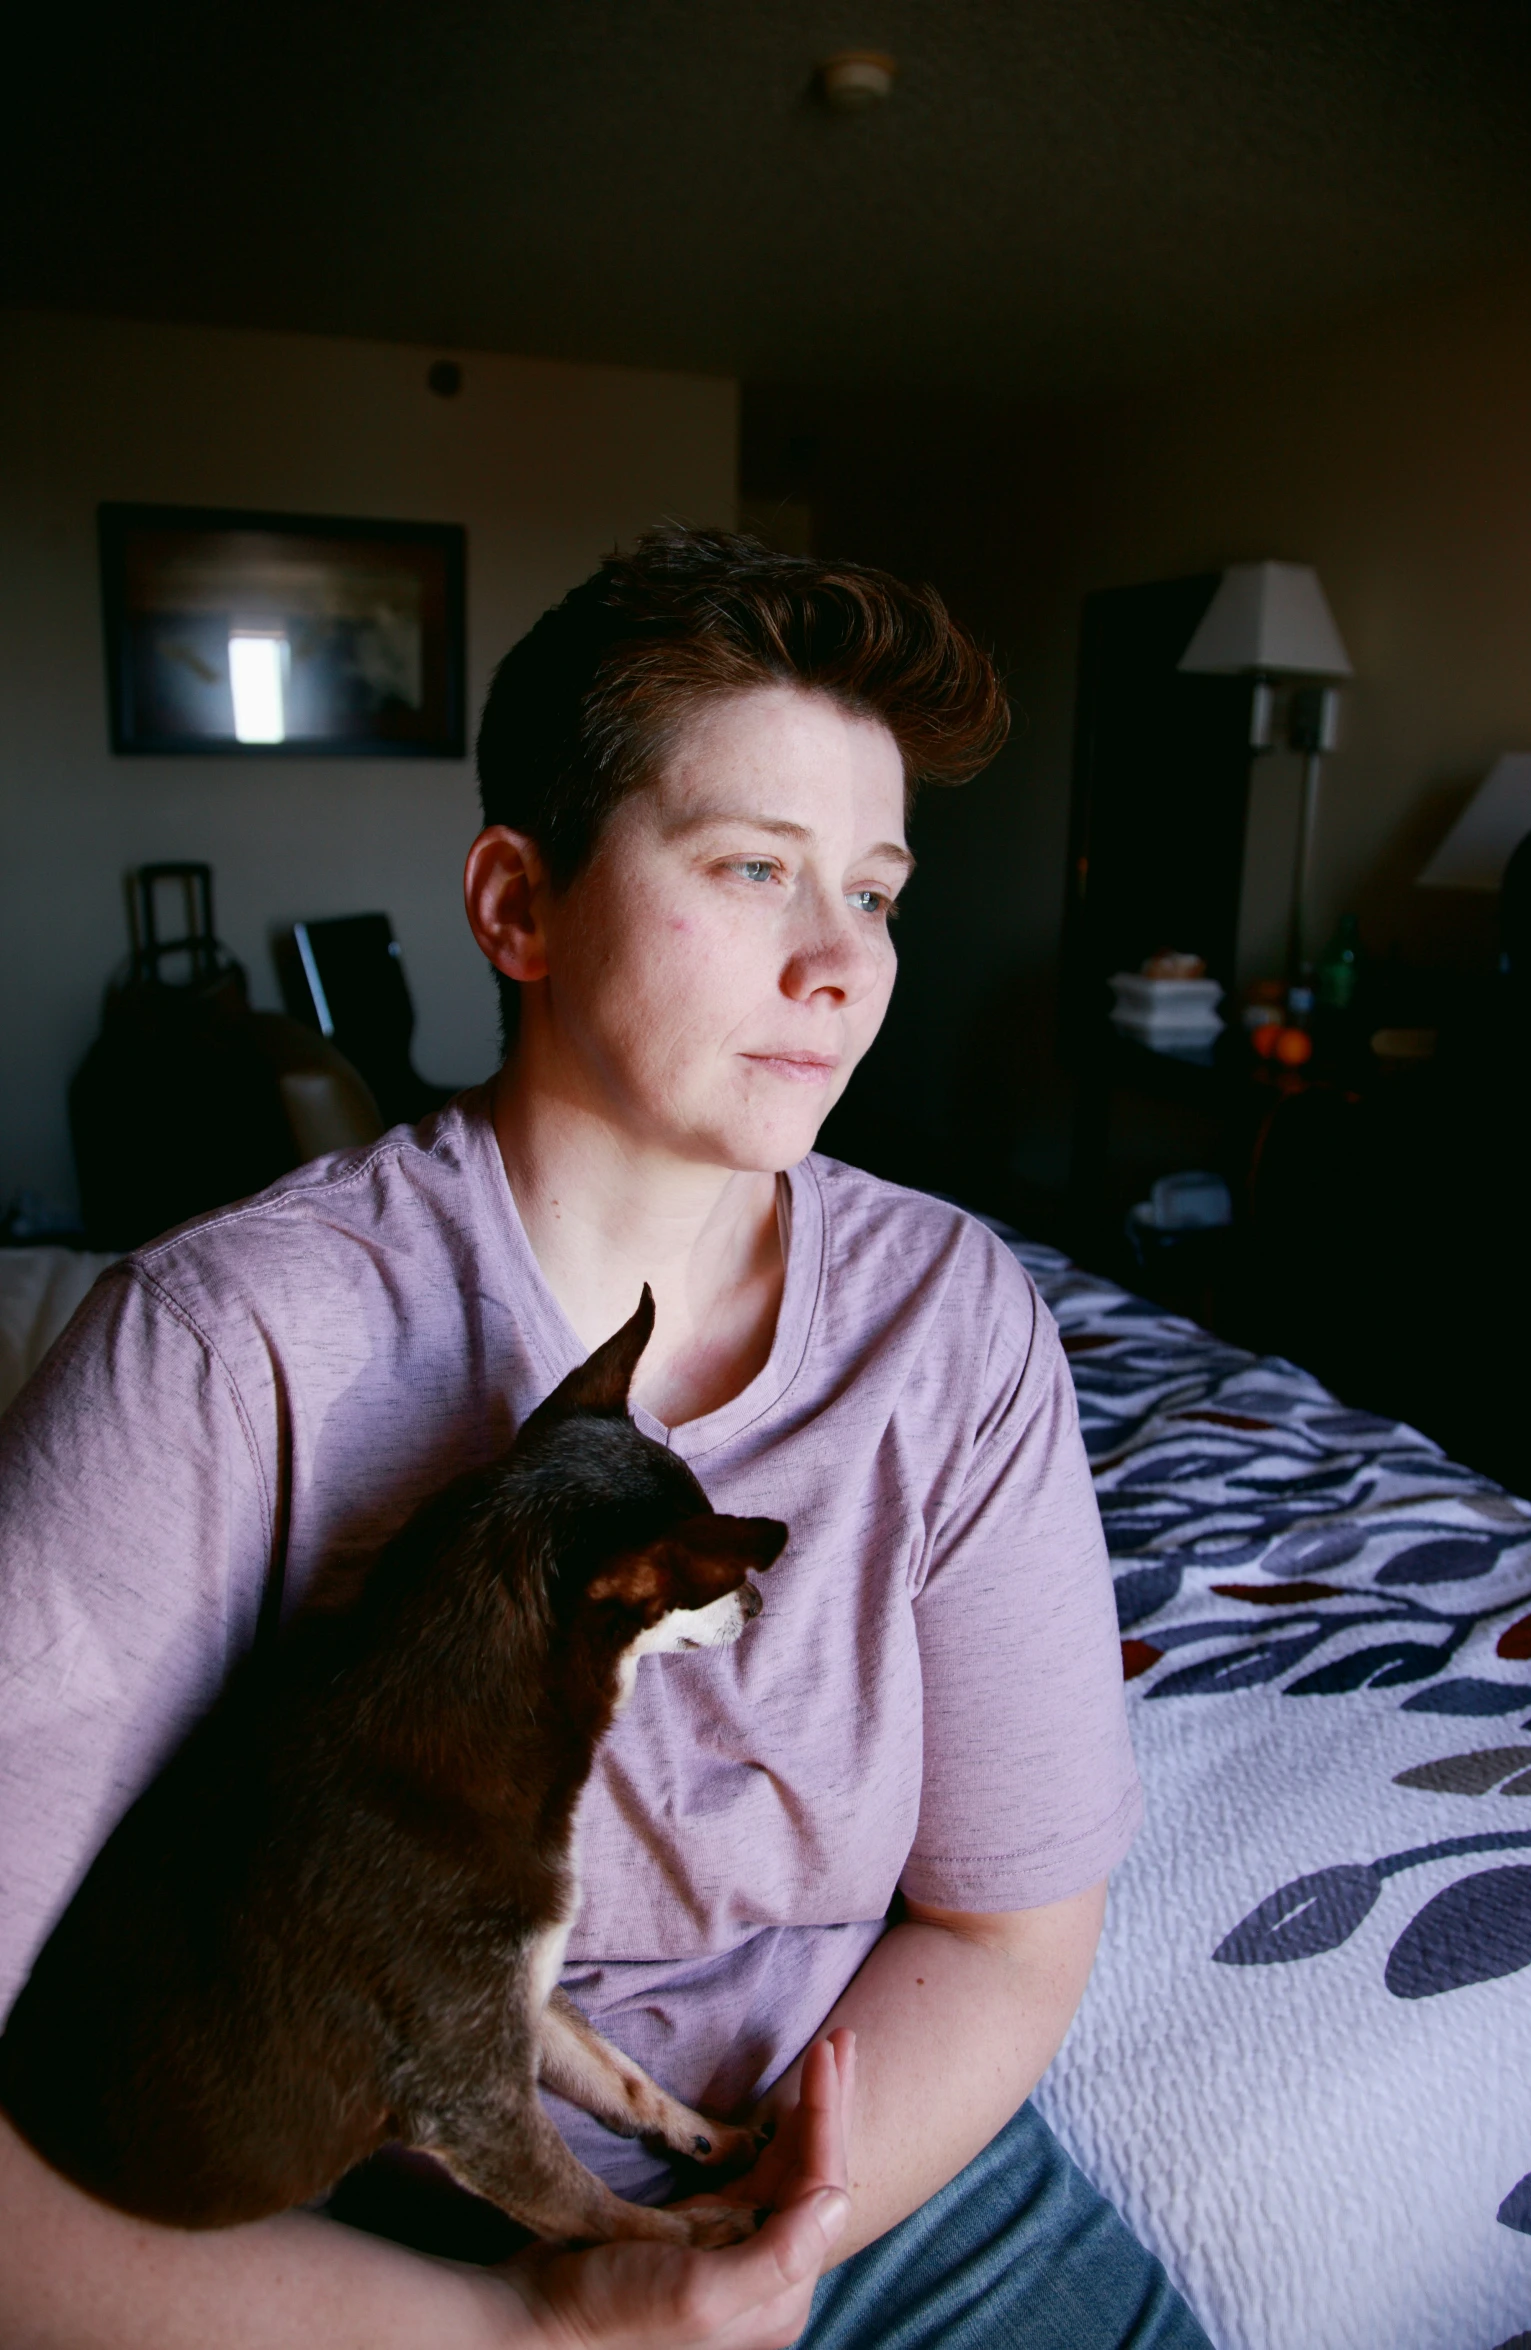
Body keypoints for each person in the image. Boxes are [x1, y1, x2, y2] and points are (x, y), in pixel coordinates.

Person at [0, 528, 1211, 2348]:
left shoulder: (953, 1321)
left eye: (874, 893)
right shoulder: (223, 1344)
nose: (840, 966)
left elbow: (1008, 1927)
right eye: (753, 867)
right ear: (517, 905)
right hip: (372, 2231)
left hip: (857, 2170)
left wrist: (761, 2241)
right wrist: (542, 2335)